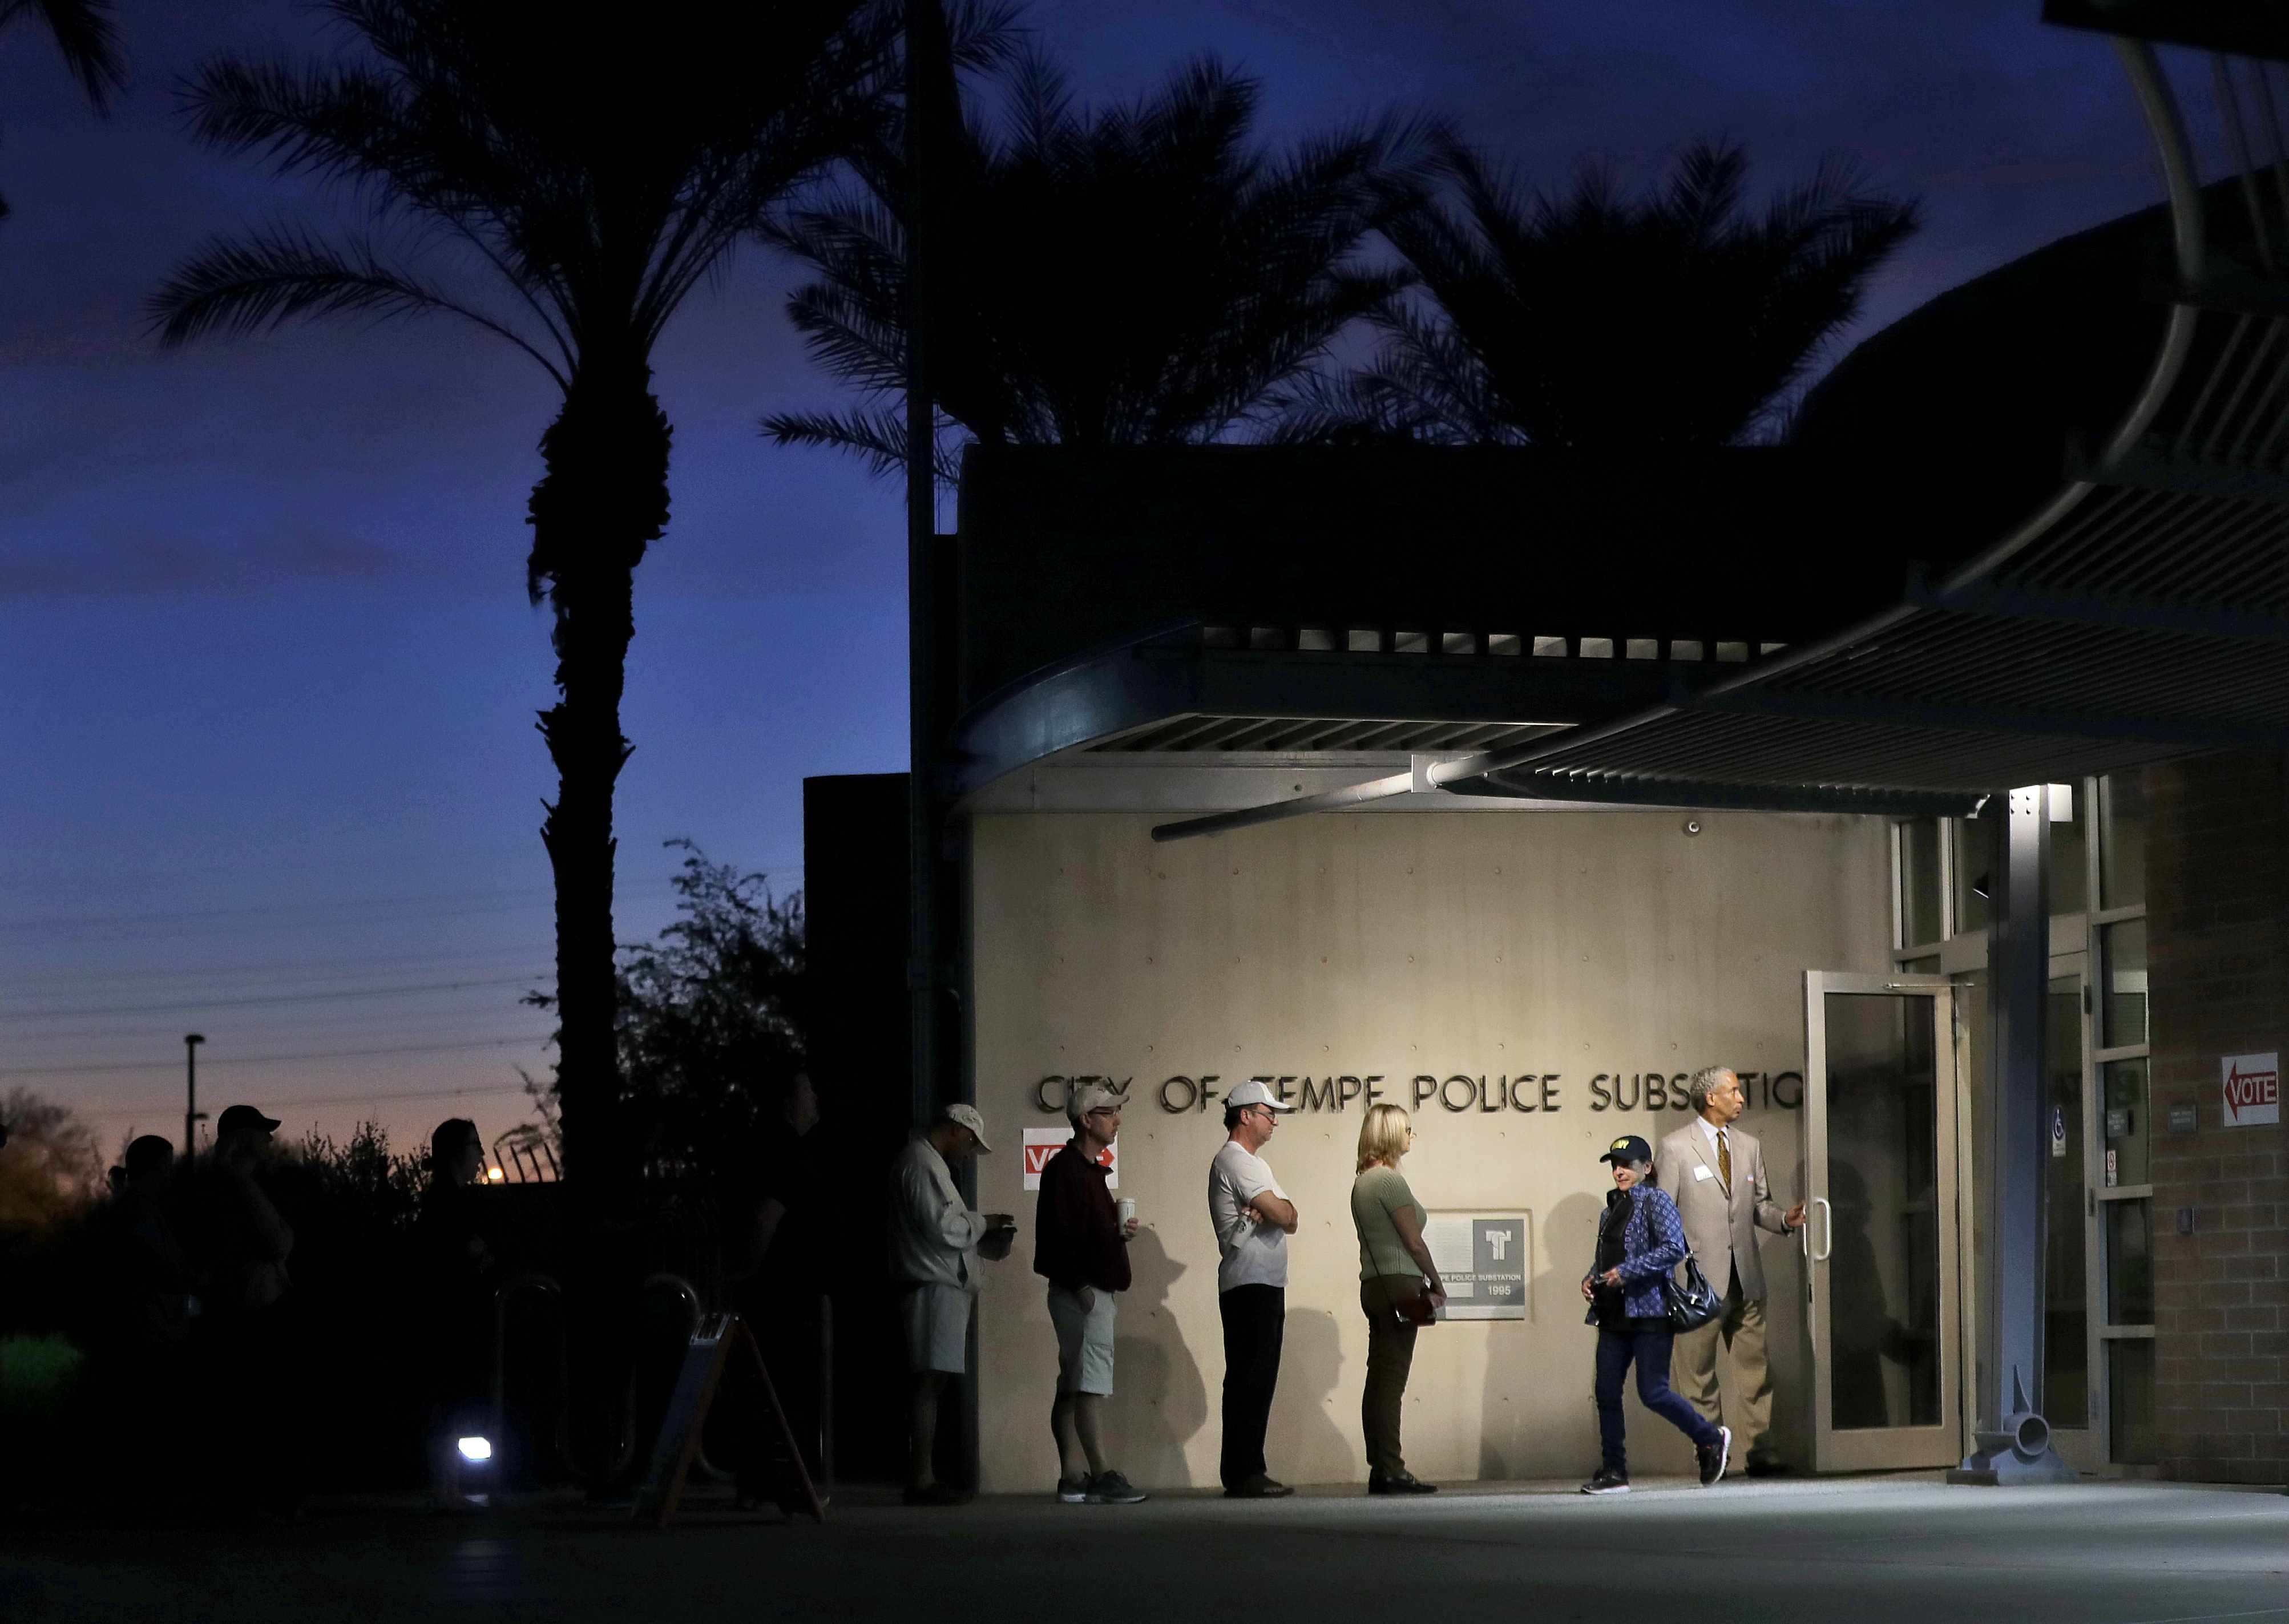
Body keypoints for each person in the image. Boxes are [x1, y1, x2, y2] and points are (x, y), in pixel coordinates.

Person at [1653, 1065, 1807, 1476]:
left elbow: (1760, 1205)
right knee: (1698, 1378)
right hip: (1695, 1284)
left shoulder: (1748, 1146)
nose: (1740, 1099)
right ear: (1710, 1098)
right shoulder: (1674, 1148)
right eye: (1733, 1092)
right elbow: (1661, 1217)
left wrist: (1784, 1220)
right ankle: (1710, 1451)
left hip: (1746, 1279)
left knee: (1755, 1373)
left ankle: (1760, 1451)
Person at [1580, 1134, 1730, 1495]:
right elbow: (1609, 1256)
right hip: (1614, 1314)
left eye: (1627, 1165)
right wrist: (1592, 1277)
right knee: (1606, 1391)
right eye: (1615, 1166)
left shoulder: (1657, 1200)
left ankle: (1710, 1438)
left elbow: (1673, 1249)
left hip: (1650, 1312)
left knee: (1653, 1392)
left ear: (1646, 1168)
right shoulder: (1611, 1208)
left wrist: (1627, 1272)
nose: (1620, 1172)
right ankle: (1615, 1471)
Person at [888, 1101, 1012, 1505]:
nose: (970, 1152)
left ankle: (924, 1475)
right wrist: (985, 1222)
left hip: (937, 1285)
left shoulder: (925, 1163)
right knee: (929, 1380)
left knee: (933, 1381)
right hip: (931, 1286)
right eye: (972, 1143)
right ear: (957, 1129)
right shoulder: (921, 1164)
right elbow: (943, 1228)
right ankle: (921, 1478)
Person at [1033, 1082, 1147, 1505]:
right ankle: (1100, 1472)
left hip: (1084, 1290)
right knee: (1089, 1385)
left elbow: (1073, 1233)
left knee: (1072, 1385)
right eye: (1109, 1112)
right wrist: (1081, 1286)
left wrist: (1115, 1234)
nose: (1117, 1120)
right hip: (1083, 1293)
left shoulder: (1082, 1170)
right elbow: (1056, 1236)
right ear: (1085, 1120)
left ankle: (1072, 1476)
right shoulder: (1067, 1170)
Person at [189, 1102, 300, 1516]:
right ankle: (264, 1500)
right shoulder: (234, 1186)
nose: (269, 1140)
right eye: (260, 1132)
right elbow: (279, 1243)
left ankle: (244, 1498)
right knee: (259, 1411)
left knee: (241, 1411)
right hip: (255, 1313)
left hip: (237, 1310)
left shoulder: (213, 1187)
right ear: (239, 1140)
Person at [729, 1069, 829, 1491]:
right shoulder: (781, 1150)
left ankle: (768, 1482)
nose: (817, 1099)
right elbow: (766, 1215)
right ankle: (782, 1482)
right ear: (788, 1101)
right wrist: (748, 1268)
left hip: (782, 1289)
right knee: (782, 1387)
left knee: (777, 1386)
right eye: (808, 1091)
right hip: (782, 1294)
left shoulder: (772, 1146)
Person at [1206, 1078, 1298, 1498]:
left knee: (1255, 1376)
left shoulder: (1253, 1164)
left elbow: (1291, 1218)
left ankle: (1246, 1468)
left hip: (1260, 1282)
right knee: (1250, 1377)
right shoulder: (1238, 1161)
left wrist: (1279, 1211)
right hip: (1250, 1283)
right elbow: (1282, 1212)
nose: (1274, 1122)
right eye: (1268, 1114)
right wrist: (1277, 1210)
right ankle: (1245, 1472)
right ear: (1245, 1116)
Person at [1349, 1103, 1444, 1494]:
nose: (1411, 1136)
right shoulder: (1389, 1182)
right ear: (1390, 1135)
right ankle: (1390, 1469)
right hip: (1398, 1283)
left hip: (1374, 1285)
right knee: (1391, 1382)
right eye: (1407, 1129)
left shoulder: (1362, 1182)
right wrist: (1437, 1283)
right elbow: (1413, 1241)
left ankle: (1382, 1466)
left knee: (1379, 1378)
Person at [414, 1118, 497, 1508]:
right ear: (456, 1153)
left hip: (446, 1315)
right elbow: (465, 1252)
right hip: (450, 1316)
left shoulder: (442, 1198)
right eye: (475, 1146)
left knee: (447, 1403)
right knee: (448, 1401)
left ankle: (447, 1487)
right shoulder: (449, 1201)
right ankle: (445, 1489)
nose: (481, 1155)